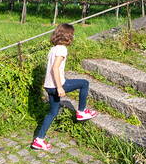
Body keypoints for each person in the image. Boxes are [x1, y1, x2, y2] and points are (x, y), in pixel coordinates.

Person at [31, 23, 98, 151]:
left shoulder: (53, 49)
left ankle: (39, 140)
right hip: (57, 85)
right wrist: (60, 87)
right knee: (84, 83)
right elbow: (55, 68)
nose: (72, 37)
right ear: (67, 36)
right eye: (71, 34)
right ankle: (81, 112)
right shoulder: (62, 49)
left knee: (52, 112)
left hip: (48, 86)